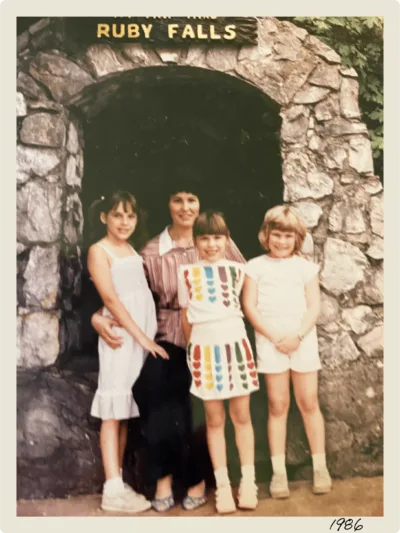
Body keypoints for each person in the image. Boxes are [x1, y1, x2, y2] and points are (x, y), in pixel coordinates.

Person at [91, 182, 245, 512]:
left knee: (198, 401)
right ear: (168, 204)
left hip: (210, 336)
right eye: (178, 199)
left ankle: (196, 479)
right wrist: (96, 317)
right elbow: (126, 291)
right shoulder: (149, 252)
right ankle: (162, 478)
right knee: (158, 392)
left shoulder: (219, 242)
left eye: (192, 199)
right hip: (166, 336)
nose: (185, 207)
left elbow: (246, 282)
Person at [242, 205, 332, 499]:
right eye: (276, 235)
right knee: (277, 405)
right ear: (266, 235)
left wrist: (297, 336)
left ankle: (320, 467)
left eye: (288, 236)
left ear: (298, 238)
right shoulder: (254, 266)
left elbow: (314, 306)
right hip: (271, 341)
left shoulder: (306, 268)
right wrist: (275, 336)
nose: (282, 241)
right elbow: (250, 307)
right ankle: (278, 473)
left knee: (308, 402)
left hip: (301, 339)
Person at [87, 190, 168, 513]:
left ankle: (118, 484)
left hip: (138, 334)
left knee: (122, 411)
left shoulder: (131, 249)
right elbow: (110, 300)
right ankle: (111, 489)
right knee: (112, 409)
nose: (124, 222)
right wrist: (142, 338)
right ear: (104, 217)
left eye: (130, 216)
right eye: (117, 215)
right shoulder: (99, 250)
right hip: (121, 337)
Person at [178, 211, 259, 514]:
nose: (211, 244)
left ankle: (247, 483)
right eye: (205, 238)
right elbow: (185, 317)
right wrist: (193, 350)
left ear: (227, 239)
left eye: (217, 238)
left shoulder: (240, 270)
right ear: (195, 240)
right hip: (204, 350)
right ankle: (223, 487)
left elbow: (246, 308)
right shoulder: (185, 273)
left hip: (235, 346)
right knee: (214, 420)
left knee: (241, 417)